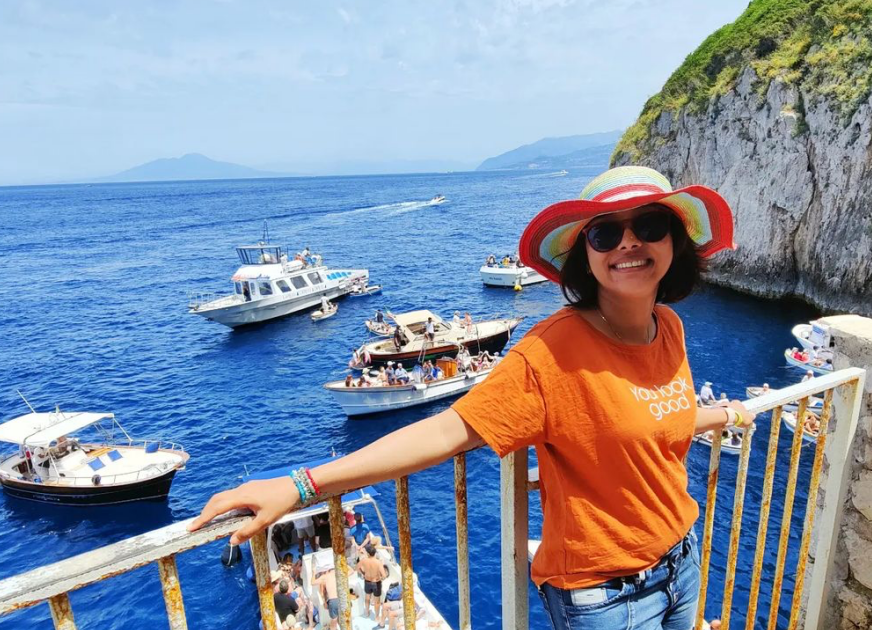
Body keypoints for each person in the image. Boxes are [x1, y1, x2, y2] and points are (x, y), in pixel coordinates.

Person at [191, 165, 754, 630]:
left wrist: (721, 414)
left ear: (674, 243)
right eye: (607, 233)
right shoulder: (551, 352)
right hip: (608, 596)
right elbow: (444, 432)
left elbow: (654, 417)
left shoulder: (669, 327)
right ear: (586, 255)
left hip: (682, 559)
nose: (630, 242)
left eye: (650, 224)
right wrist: (300, 484)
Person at [356, 545, 387, 623]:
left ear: (368, 554)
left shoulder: (364, 560)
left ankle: (367, 612)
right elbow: (384, 575)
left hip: (367, 581)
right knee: (377, 601)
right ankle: (376, 617)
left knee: (367, 598)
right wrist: (380, 578)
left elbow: (357, 568)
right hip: (376, 583)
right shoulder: (378, 562)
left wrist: (363, 573)